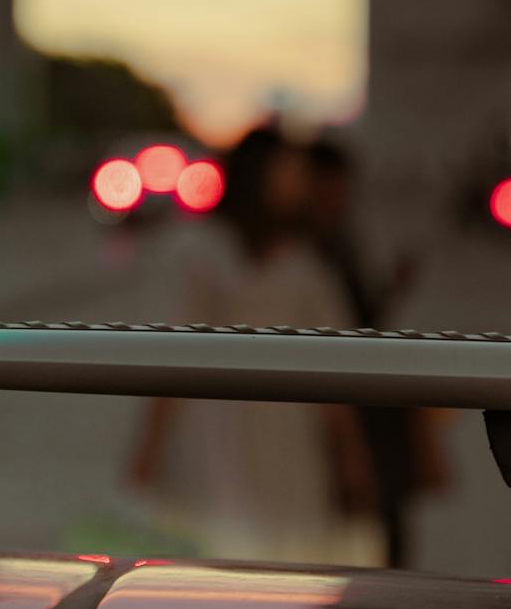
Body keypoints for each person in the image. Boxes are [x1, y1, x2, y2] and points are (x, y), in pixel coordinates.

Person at [125, 123, 385, 567]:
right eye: (287, 171)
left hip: (286, 435)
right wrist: (147, 451)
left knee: (279, 557)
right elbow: (172, 355)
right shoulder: (203, 250)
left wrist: (350, 454)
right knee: (214, 550)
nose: (297, 182)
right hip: (216, 430)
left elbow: (330, 366)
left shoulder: (306, 259)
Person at [306, 133, 440, 566]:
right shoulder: (311, 246)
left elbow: (360, 314)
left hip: (364, 387)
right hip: (347, 391)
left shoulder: (339, 237)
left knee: (385, 504)